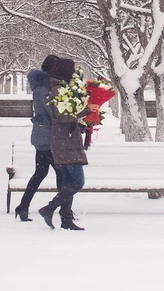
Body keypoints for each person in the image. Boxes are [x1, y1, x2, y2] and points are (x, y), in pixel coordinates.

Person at [38, 58, 99, 231]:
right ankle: (49, 208)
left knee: (67, 183)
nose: (75, 71)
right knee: (77, 182)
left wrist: (83, 122)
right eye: (72, 68)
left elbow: (67, 117)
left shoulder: (63, 88)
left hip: (66, 139)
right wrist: (87, 110)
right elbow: (62, 117)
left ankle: (66, 220)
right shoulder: (58, 90)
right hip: (64, 141)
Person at [14, 54, 63, 222]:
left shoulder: (41, 85)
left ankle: (23, 207)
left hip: (42, 135)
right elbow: (52, 111)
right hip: (48, 137)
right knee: (60, 173)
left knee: (41, 172)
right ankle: (62, 209)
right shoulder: (44, 87)